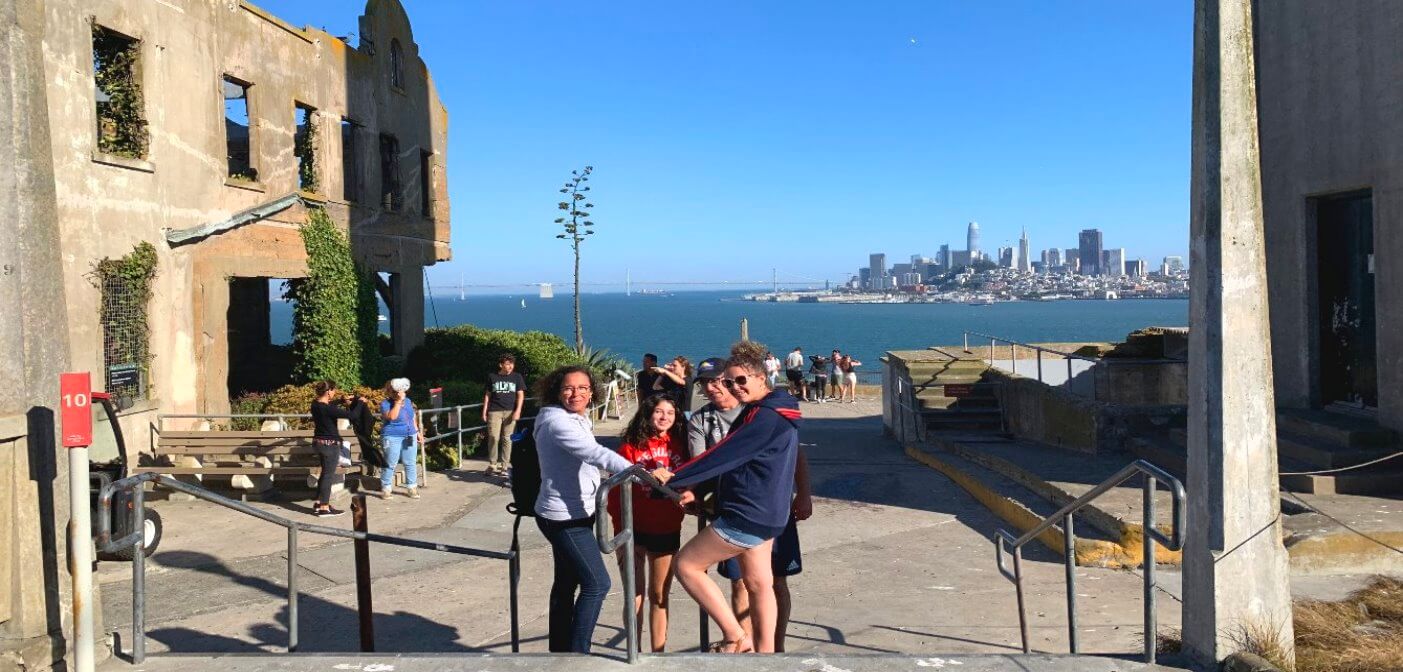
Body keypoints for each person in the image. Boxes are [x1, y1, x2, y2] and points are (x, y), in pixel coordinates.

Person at [667, 341, 802, 654]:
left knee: (686, 565)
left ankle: (735, 636)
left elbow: (724, 454)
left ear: (760, 378)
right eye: (728, 382)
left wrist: (676, 479)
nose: (734, 387)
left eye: (741, 380)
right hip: (769, 513)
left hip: (748, 512)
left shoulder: (765, 417)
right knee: (758, 584)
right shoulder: (773, 410)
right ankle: (766, 655)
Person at [533, 365, 669, 653]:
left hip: (576, 511)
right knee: (597, 584)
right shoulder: (558, 423)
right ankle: (578, 654)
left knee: (566, 583)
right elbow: (595, 453)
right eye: (569, 388)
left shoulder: (576, 418)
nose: (576, 393)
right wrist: (640, 470)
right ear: (557, 391)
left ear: (592, 391)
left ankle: (559, 651)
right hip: (563, 517)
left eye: (583, 388)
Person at [606, 394, 687, 652]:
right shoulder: (630, 446)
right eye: (659, 412)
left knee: (660, 596)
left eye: (670, 413)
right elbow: (616, 488)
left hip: (666, 527)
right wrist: (620, 527)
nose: (664, 417)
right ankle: (634, 651)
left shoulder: (680, 444)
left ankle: (659, 653)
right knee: (635, 595)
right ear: (648, 413)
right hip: (634, 527)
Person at [309, 381, 366, 517]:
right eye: (334, 390)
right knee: (328, 475)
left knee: (325, 474)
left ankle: (320, 503)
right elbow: (353, 416)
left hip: (320, 443)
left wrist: (341, 400)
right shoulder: (327, 408)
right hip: (329, 446)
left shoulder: (315, 404)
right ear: (328, 391)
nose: (335, 393)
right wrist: (361, 403)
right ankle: (323, 508)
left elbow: (330, 407)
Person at [482, 353, 526, 478]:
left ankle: (505, 466)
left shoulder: (517, 377)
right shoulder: (492, 377)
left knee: (507, 439)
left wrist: (518, 411)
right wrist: (484, 411)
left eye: (512, 363)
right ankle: (492, 464)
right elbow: (487, 395)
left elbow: (520, 395)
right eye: (507, 364)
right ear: (501, 364)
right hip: (494, 411)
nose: (510, 366)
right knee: (493, 437)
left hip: (510, 411)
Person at [379, 377, 420, 500]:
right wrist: (397, 402)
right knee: (390, 462)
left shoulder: (408, 401)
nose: (397, 393)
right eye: (394, 391)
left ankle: (412, 487)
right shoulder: (385, 404)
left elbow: (412, 417)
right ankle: (386, 488)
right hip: (392, 436)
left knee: (410, 462)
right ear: (389, 392)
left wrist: (417, 432)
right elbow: (392, 417)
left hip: (409, 435)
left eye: (399, 390)